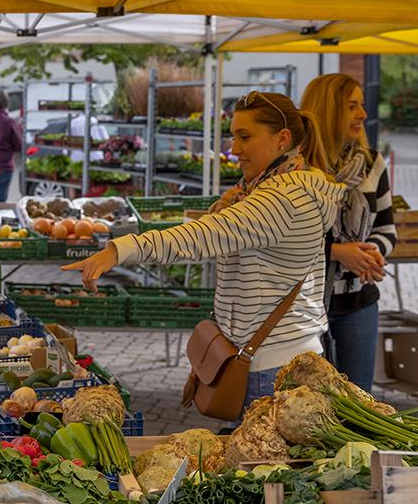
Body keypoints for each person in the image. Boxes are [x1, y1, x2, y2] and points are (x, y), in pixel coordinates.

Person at [62, 92, 345, 410]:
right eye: (233, 136)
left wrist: (120, 250)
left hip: (272, 365)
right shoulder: (270, 189)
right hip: (276, 353)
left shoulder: (284, 199)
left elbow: (203, 235)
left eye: (244, 137)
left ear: (282, 139)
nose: (234, 148)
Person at [302, 74, 396, 393]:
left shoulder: (372, 164)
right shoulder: (297, 168)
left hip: (360, 302)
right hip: (305, 307)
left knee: (359, 402)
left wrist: (370, 253)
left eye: (362, 105)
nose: (363, 114)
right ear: (328, 110)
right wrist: (338, 252)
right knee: (310, 405)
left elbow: (386, 227)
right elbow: (284, 238)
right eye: (352, 106)